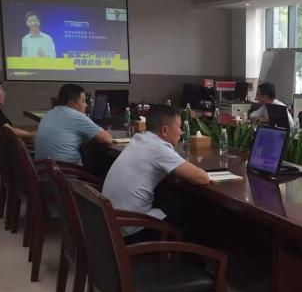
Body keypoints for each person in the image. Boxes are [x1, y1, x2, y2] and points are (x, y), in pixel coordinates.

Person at [102, 103, 210, 244]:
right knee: (186, 203)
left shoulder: (139, 139)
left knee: (169, 197)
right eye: (179, 127)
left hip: (110, 225)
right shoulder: (158, 149)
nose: (181, 132)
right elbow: (202, 178)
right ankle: (193, 252)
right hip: (131, 232)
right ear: (165, 130)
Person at [35, 84, 112, 165]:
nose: (86, 105)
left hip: (41, 170)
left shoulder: (49, 113)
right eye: (83, 101)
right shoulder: (77, 116)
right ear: (71, 103)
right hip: (66, 171)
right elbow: (107, 139)